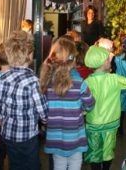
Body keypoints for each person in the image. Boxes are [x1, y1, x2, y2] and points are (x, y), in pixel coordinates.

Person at [0, 31, 48, 170]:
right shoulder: (33, 81)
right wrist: (46, 120)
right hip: (27, 136)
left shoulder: (1, 77)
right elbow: (43, 111)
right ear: (30, 55)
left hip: (8, 134)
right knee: (32, 165)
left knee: (15, 164)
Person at [40, 37, 95, 170]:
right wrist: (80, 108)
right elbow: (90, 104)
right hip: (75, 135)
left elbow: (43, 110)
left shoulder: (46, 82)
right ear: (73, 59)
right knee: (76, 163)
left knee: (58, 164)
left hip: (55, 135)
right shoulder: (79, 83)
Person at [84, 46, 126, 170]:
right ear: (104, 63)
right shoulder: (114, 79)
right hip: (111, 124)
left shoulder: (87, 82)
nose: (110, 61)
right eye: (108, 60)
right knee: (108, 152)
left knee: (95, 152)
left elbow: (83, 105)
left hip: (93, 124)